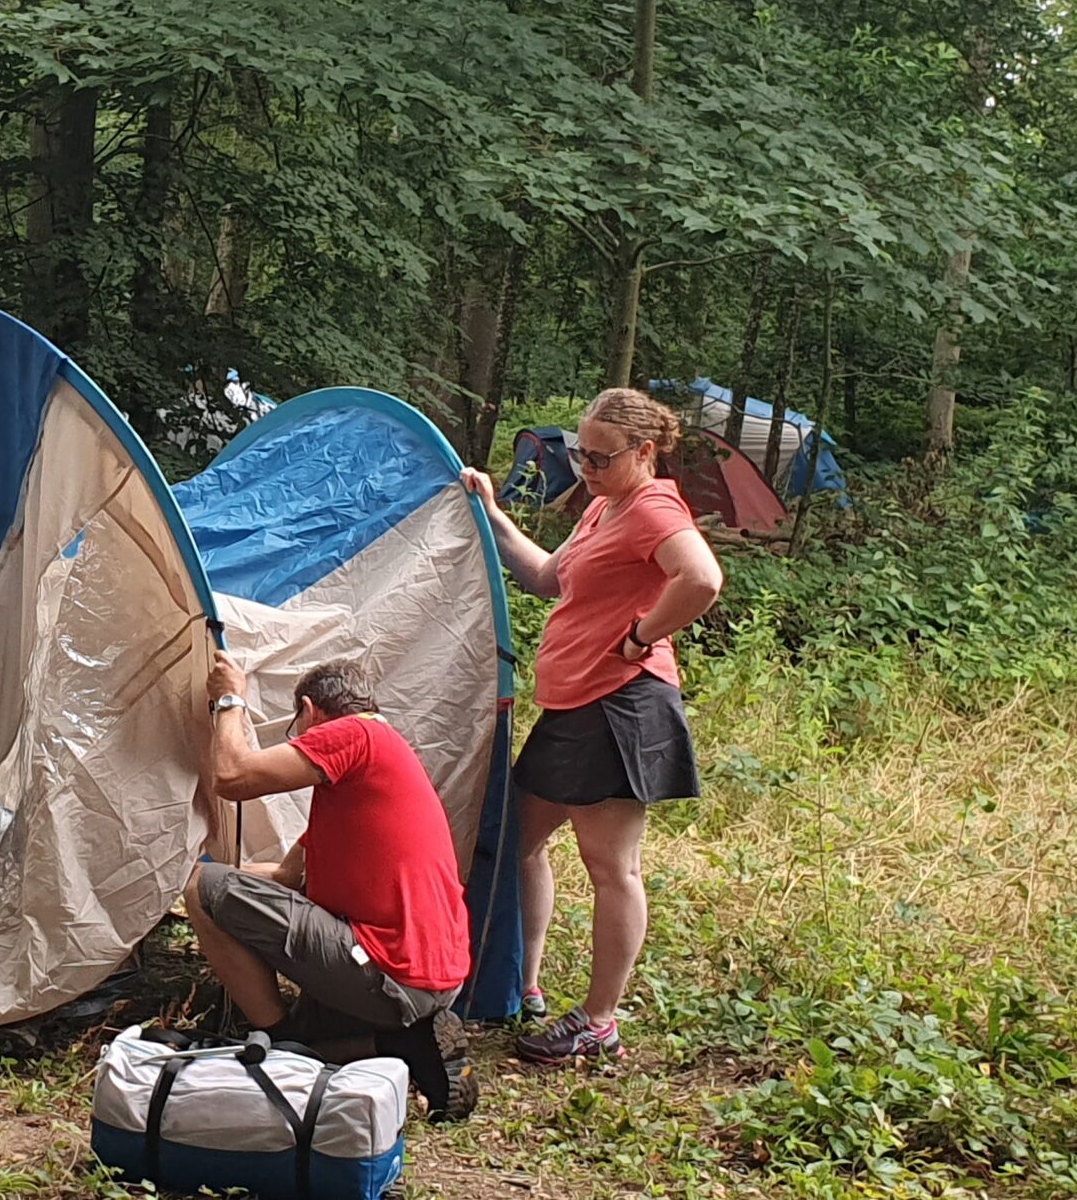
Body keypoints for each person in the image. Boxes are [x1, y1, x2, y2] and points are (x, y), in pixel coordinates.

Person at [459, 387, 724, 1064]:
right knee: (517, 840)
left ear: (645, 452)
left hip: (621, 703)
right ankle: (525, 982)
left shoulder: (651, 505)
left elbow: (700, 578)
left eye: (601, 458)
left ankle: (600, 1021)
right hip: (575, 704)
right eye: (579, 453)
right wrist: (491, 514)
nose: (586, 468)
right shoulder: (604, 506)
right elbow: (548, 577)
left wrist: (640, 636)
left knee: (611, 866)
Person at [186, 656, 479, 1123]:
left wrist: (230, 699)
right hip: (430, 976)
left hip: (389, 968)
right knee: (311, 1034)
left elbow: (232, 776)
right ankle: (407, 1048)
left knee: (204, 887)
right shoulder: (369, 782)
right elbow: (285, 878)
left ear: (311, 711)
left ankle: (277, 1047)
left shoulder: (358, 734)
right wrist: (199, 886)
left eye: (298, 730)